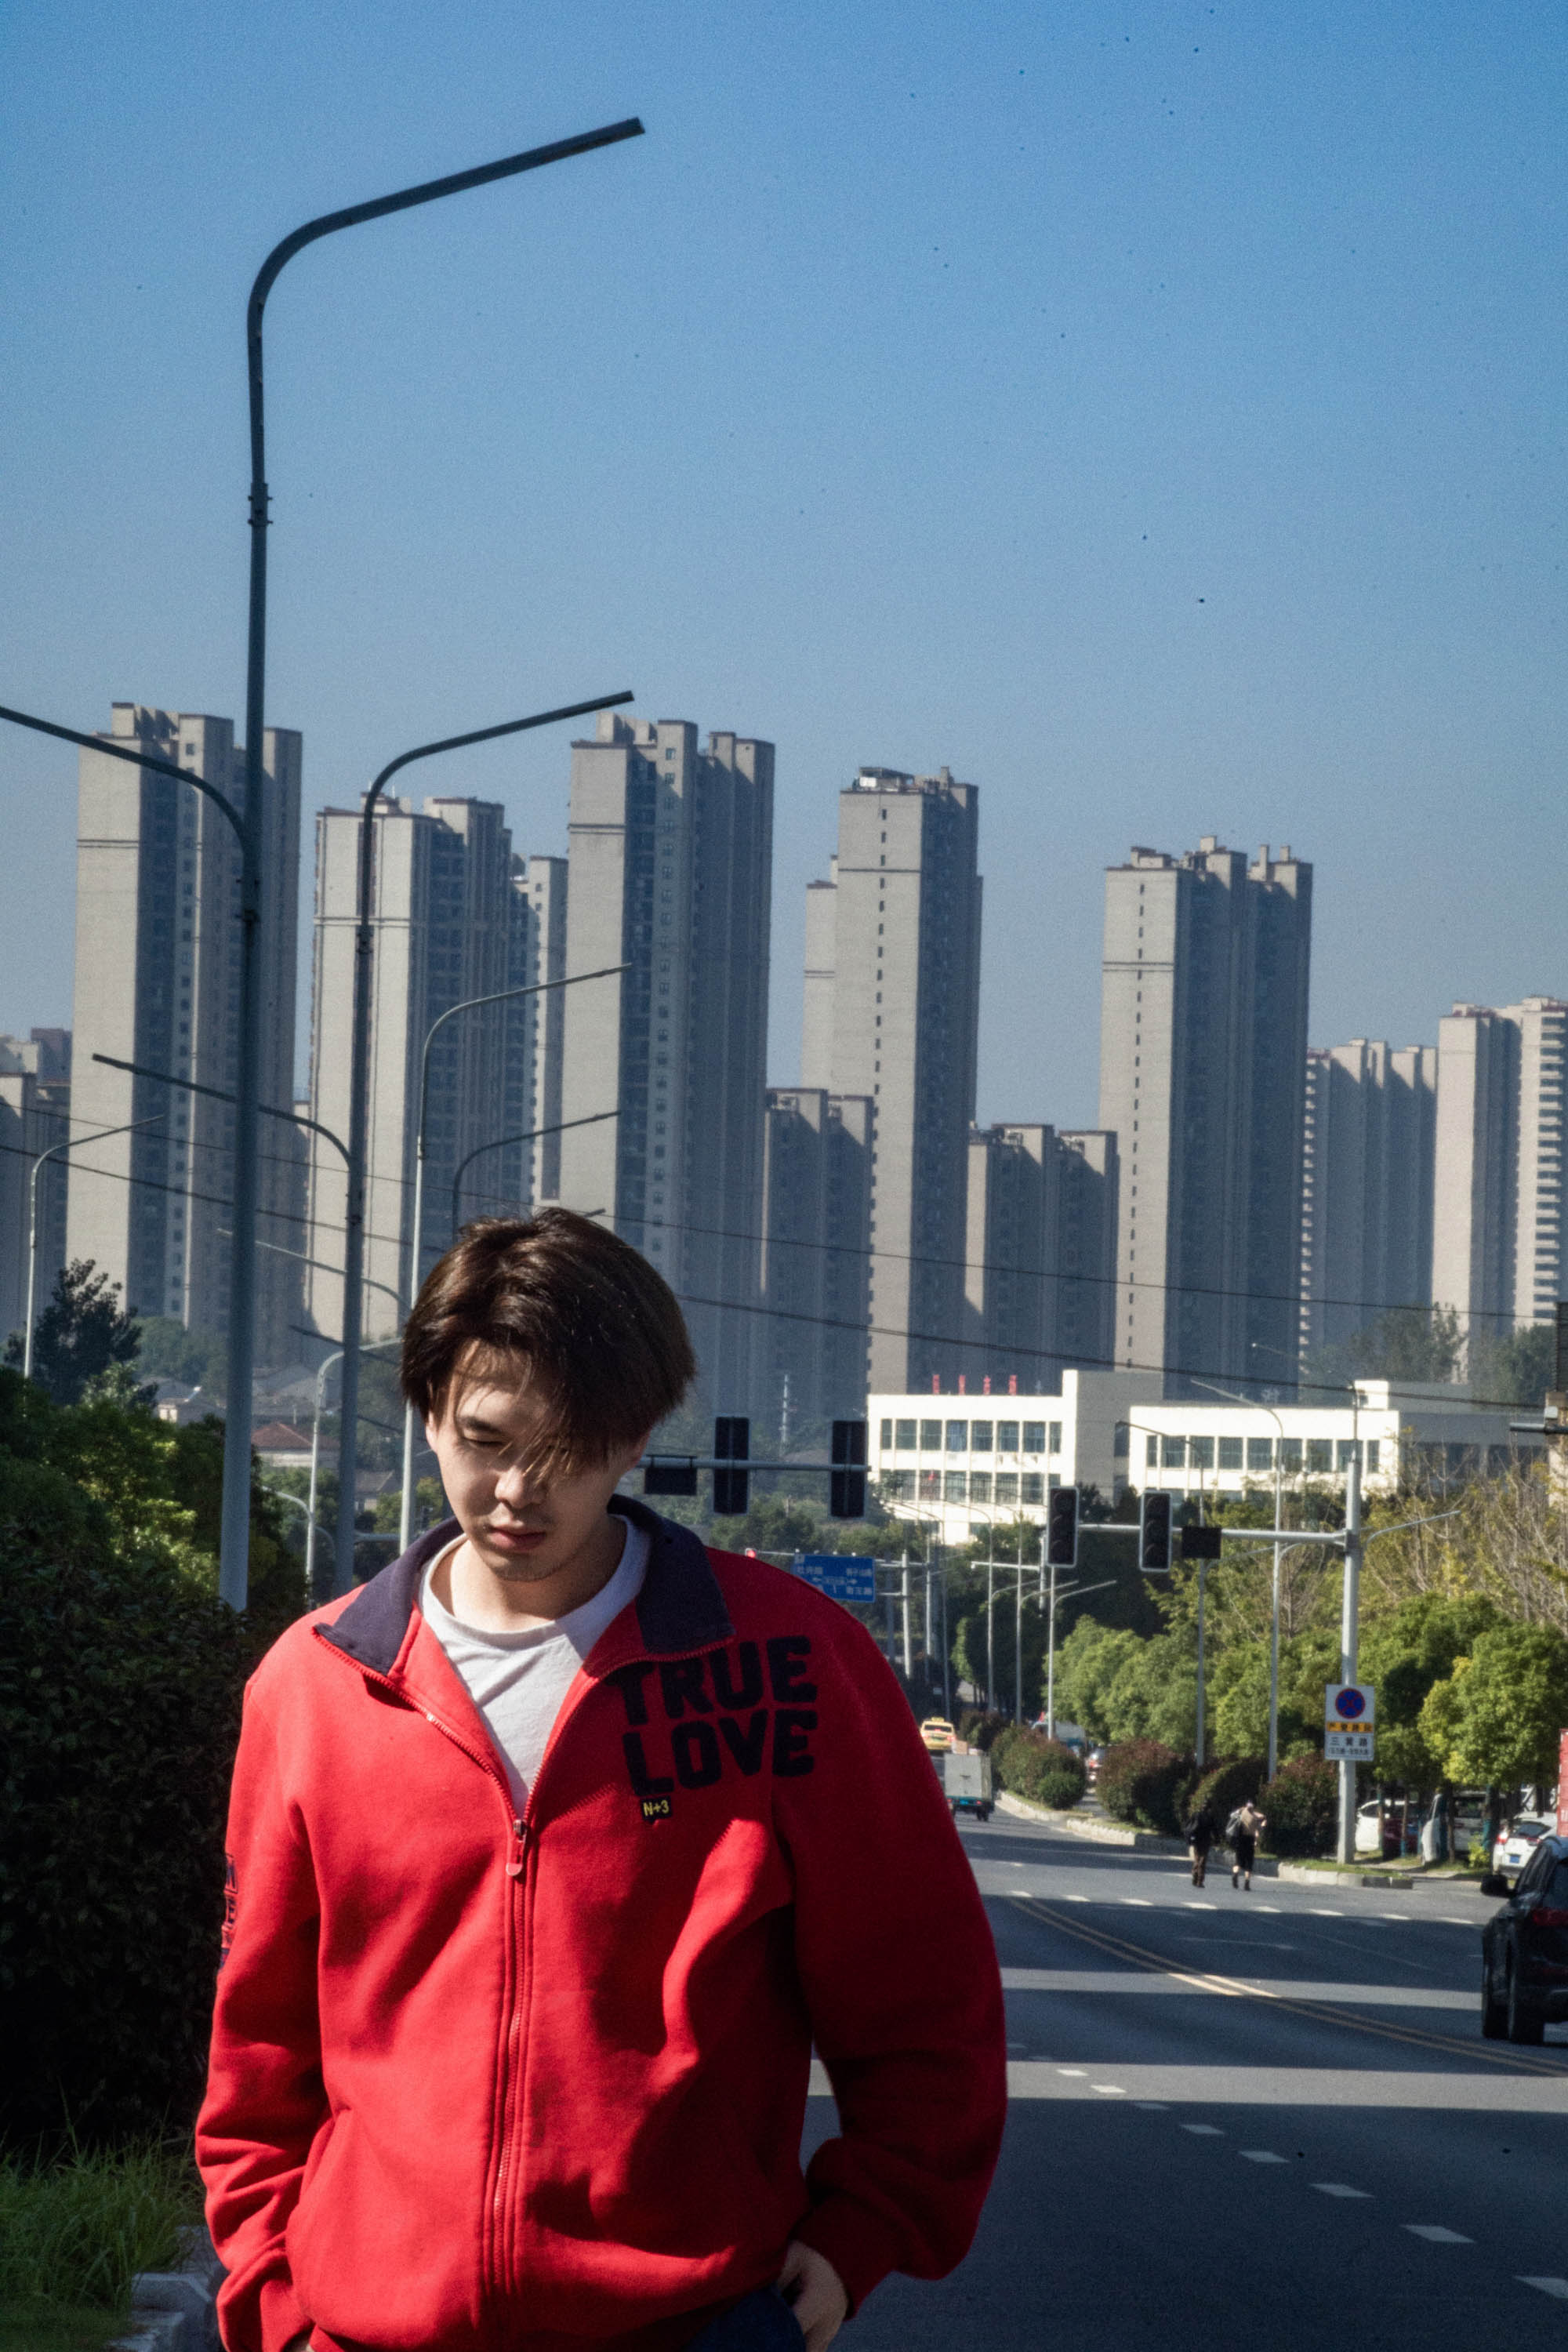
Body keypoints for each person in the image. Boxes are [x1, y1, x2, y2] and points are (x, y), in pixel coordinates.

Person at [198, 1211, 1007, 2352]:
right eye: (484, 1439)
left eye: (567, 1448)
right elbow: (259, 2047)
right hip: (365, 2330)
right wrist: (274, 2298)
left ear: (635, 1440)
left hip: (693, 2323)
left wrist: (862, 2233)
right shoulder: (317, 1684)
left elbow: (924, 1996)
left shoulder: (788, 1664)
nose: (517, 1489)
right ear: (428, 1413)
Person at [1230, 1797, 1267, 1890]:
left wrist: (1242, 1810)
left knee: (1238, 1861)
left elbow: (1232, 1816)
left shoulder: (1241, 1811)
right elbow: (1263, 1820)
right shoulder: (1256, 1817)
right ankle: (1247, 1882)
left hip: (1240, 1839)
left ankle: (1235, 1874)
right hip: (1250, 1840)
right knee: (1249, 1863)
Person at [1184, 1799, 1218, 1887]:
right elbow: (1214, 1830)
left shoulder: (1196, 1814)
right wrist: (1217, 1840)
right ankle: (1200, 1880)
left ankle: (1195, 1875)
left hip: (1197, 1840)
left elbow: (1188, 1825)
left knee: (1197, 1858)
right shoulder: (1210, 1817)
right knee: (1203, 1859)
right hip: (1205, 1840)